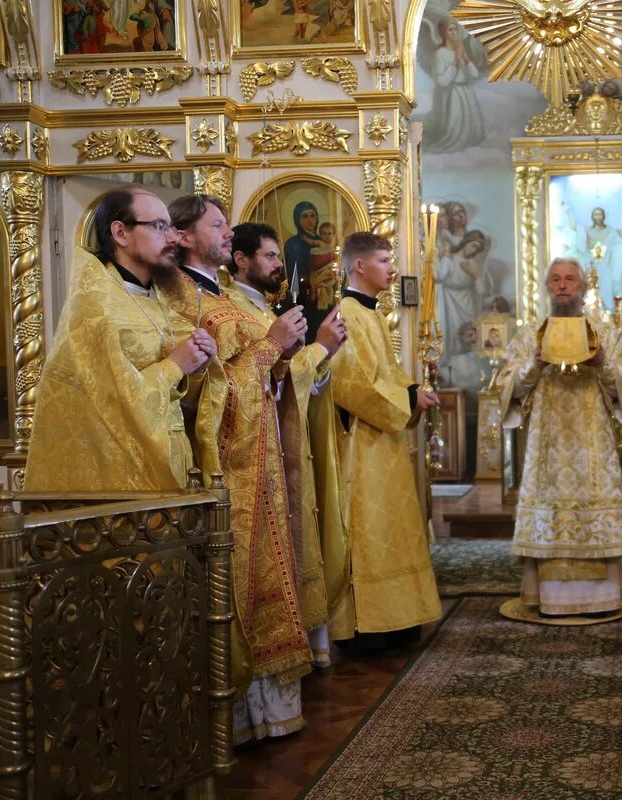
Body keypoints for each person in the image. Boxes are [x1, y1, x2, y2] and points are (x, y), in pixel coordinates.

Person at [164, 194, 314, 745]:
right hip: (222, 467)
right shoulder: (176, 298)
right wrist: (269, 349)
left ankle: (263, 713)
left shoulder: (224, 295)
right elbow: (200, 390)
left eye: (228, 224)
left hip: (261, 459)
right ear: (181, 236)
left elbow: (254, 375)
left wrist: (282, 356)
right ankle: (230, 718)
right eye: (217, 224)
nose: (228, 232)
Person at [26, 187, 216, 489]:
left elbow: (179, 400)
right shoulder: (95, 306)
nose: (172, 238)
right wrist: (176, 365)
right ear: (121, 233)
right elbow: (109, 404)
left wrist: (199, 363)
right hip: (123, 476)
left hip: (175, 464)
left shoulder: (158, 301)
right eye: (159, 226)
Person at [227, 221, 348, 668]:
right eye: (271, 256)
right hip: (257, 452)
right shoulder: (235, 311)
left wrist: (322, 353)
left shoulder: (264, 310)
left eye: (280, 256)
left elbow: (292, 379)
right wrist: (318, 349)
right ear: (241, 259)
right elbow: (265, 379)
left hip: (284, 443)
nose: (281, 264)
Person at [494, 257, 622, 618]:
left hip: (592, 447)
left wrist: (602, 362)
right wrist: (535, 365)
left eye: (570, 280)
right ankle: (548, 598)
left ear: (583, 288)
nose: (562, 286)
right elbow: (505, 385)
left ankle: (601, 597)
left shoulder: (603, 332)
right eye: (555, 279)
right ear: (547, 287)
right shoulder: (531, 334)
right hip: (547, 446)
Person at [326, 232, 442, 644]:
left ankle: (399, 617)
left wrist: (413, 393)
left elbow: (386, 375)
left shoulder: (370, 313)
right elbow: (351, 384)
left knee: (393, 528)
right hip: (362, 442)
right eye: (384, 260)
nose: (392, 269)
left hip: (384, 440)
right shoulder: (348, 313)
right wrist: (406, 400)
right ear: (359, 266)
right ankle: (370, 626)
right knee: (370, 528)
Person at [423, 18, 486, 153]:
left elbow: (474, 75)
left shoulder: (460, 50)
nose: (453, 33)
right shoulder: (440, 54)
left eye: (455, 29)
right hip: (452, 95)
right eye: (450, 30)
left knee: (472, 134)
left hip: (465, 93)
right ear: (443, 33)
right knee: (455, 132)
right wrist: (456, 61)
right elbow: (442, 81)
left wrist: (465, 58)